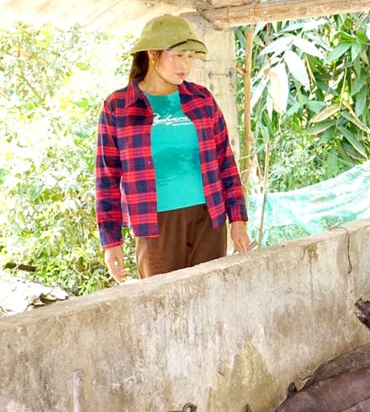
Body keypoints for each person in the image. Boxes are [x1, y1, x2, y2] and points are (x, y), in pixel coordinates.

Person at [95, 14, 252, 281]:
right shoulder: (118, 107)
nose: (186, 64)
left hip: (209, 218)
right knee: (164, 307)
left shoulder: (201, 100)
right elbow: (107, 179)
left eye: (190, 56)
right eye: (178, 55)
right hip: (154, 225)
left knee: (210, 296)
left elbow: (226, 162)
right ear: (153, 54)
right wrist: (111, 243)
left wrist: (238, 219)